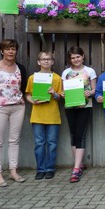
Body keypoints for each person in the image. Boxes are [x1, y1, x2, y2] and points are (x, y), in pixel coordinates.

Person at [0, 39, 28, 187]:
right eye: (7, 49)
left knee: (14, 140)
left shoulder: (20, 68)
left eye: (13, 49)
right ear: (2, 51)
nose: (10, 51)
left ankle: (13, 171)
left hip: (18, 107)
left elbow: (24, 87)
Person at [61, 46, 97, 183]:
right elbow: (63, 91)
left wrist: (90, 93)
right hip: (70, 106)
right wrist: (62, 94)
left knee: (81, 135)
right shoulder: (66, 73)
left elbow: (95, 89)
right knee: (73, 134)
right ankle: (79, 164)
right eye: (72, 57)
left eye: (78, 56)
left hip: (85, 106)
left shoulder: (90, 71)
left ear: (83, 56)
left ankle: (76, 168)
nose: (75, 59)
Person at [25, 51, 63, 180]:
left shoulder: (57, 78)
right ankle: (40, 169)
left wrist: (54, 93)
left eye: (49, 59)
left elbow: (60, 98)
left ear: (52, 62)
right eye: (43, 59)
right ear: (38, 61)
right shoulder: (32, 78)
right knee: (39, 143)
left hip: (52, 116)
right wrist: (32, 101)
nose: (46, 61)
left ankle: (50, 168)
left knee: (52, 143)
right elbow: (28, 94)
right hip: (37, 115)